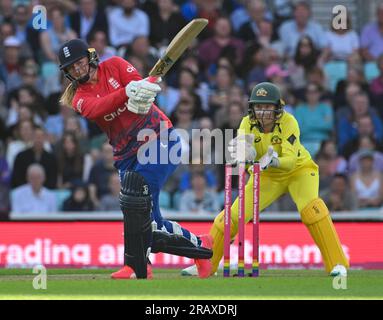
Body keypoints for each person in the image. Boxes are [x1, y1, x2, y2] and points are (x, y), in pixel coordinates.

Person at [57, 38, 212, 279]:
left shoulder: (116, 65)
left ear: (89, 57)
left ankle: (137, 266)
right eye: (71, 67)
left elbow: (139, 89)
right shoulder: (78, 97)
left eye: (79, 62)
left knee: (138, 208)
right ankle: (196, 247)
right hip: (126, 154)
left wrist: (143, 95)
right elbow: (99, 108)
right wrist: (126, 93)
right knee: (146, 220)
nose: (77, 69)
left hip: (159, 138)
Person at [183, 82, 349, 277]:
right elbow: (244, 157)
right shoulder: (247, 122)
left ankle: (338, 264)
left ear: (277, 107)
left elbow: (290, 161)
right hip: (266, 176)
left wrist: (274, 160)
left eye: (267, 107)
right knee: (231, 216)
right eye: (259, 107)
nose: (262, 112)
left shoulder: (289, 122)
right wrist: (244, 156)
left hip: (299, 171)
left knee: (312, 210)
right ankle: (207, 264)